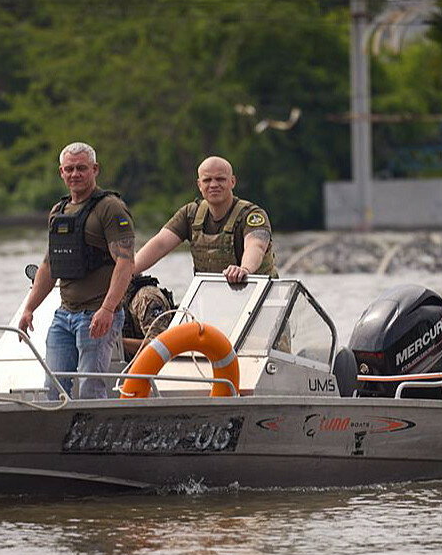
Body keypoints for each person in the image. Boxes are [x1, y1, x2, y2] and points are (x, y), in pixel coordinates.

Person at [19, 142, 135, 400]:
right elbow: (50, 265)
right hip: (64, 316)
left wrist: (107, 309)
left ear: (95, 169)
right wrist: (29, 309)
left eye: (81, 168)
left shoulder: (110, 208)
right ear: (61, 172)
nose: (75, 174)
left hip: (97, 315)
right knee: (53, 388)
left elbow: (126, 263)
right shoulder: (58, 212)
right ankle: (57, 436)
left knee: (90, 390)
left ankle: (96, 438)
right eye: (69, 169)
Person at [133, 156, 277, 282]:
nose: (214, 185)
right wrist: (128, 271)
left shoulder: (252, 215)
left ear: (232, 182)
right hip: (211, 300)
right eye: (207, 180)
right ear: (199, 185)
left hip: (261, 299)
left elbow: (256, 246)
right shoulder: (190, 214)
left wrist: (244, 269)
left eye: (220, 179)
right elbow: (160, 244)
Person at [120, 274, 176, 359]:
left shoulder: (146, 298)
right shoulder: (121, 295)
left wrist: (118, 343)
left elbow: (160, 345)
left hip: (152, 366)